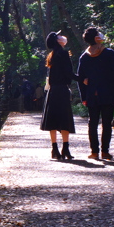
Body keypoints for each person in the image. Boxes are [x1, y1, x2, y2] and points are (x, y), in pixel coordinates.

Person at [77, 26, 114, 160]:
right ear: (97, 38)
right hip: (107, 93)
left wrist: (83, 96)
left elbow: (80, 78)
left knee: (93, 123)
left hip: (91, 94)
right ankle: (105, 151)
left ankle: (94, 152)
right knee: (106, 123)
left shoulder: (84, 57)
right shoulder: (109, 53)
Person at [40, 31, 77, 160]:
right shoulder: (64, 54)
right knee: (65, 119)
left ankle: (54, 148)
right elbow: (69, 73)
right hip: (62, 90)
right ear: (57, 40)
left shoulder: (52, 55)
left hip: (52, 91)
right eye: (59, 36)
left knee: (53, 120)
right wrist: (81, 79)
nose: (62, 37)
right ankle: (65, 148)